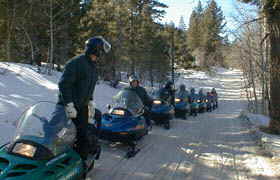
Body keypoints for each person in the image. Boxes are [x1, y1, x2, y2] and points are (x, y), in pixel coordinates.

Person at [57, 36, 111, 167]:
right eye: (101, 51)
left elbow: (88, 87)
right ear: (96, 50)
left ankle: (80, 167)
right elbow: (64, 84)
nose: (101, 55)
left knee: (83, 137)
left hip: (82, 107)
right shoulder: (76, 63)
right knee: (54, 134)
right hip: (66, 106)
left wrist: (90, 102)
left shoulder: (92, 66)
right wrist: (69, 104)